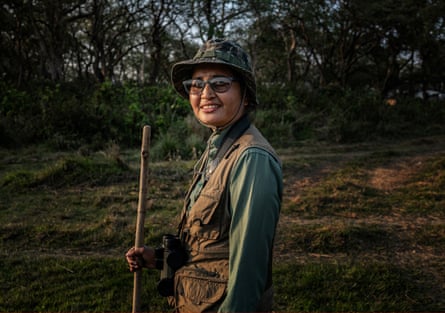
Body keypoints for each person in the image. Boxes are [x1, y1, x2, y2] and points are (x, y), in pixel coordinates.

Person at [125, 38, 283, 312]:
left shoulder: (251, 158)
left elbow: (247, 275)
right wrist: (161, 259)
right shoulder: (218, 145)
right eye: (196, 84)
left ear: (245, 95)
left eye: (220, 83)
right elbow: (212, 248)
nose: (205, 93)